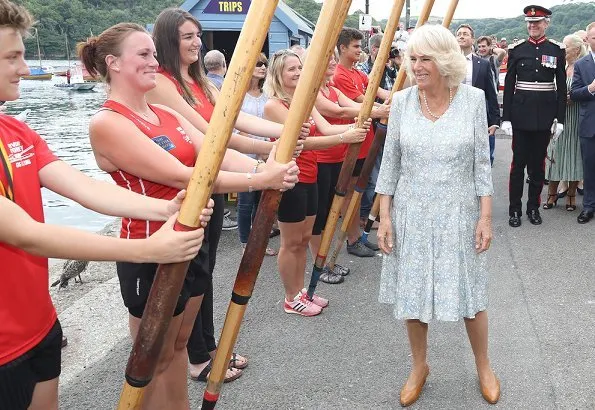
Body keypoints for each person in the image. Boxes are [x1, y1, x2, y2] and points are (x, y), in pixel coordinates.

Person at [0, 2, 212, 409]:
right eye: (13, 57)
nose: (25, 69)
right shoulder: (107, 121)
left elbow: (83, 187)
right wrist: (147, 250)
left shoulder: (16, 130)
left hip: (39, 324)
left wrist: (165, 211)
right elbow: (26, 234)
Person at [78, 22, 298, 409]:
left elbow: (212, 153)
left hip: (190, 241)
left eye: (153, 53)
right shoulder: (108, 123)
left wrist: (262, 165)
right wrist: (262, 178)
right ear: (113, 63)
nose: (154, 61)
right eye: (143, 55)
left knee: (179, 347)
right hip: (149, 250)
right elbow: (187, 176)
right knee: (152, 360)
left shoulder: (163, 110)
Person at [146, 8, 306, 385]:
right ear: (168, 40)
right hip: (183, 189)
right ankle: (196, 356)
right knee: (188, 277)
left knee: (204, 272)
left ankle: (208, 346)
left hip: (212, 185)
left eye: (198, 35)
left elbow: (234, 118)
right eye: (187, 36)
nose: (197, 42)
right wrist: (266, 150)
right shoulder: (163, 82)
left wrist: (286, 130)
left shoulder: (201, 80)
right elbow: (211, 134)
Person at [375, 24, 498, 406]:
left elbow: (481, 164)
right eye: (413, 58)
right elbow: (390, 165)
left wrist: (485, 217)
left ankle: (484, 366)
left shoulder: (474, 100)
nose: (418, 66)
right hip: (411, 213)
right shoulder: (402, 103)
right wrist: (385, 216)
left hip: (459, 213)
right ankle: (419, 366)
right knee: (413, 296)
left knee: (470, 296)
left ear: (445, 60)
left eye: (426, 58)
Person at [264, 49, 370, 316]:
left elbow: (326, 128)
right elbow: (300, 142)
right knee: (291, 242)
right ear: (278, 73)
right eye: (291, 69)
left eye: (300, 68)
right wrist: (343, 138)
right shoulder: (274, 106)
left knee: (302, 239)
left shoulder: (304, 100)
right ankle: (291, 297)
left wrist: (354, 125)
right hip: (288, 178)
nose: (298, 73)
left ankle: (301, 292)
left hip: (310, 174)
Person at [309, 50, 390, 284]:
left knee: (334, 208)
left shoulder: (332, 90)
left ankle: (324, 260)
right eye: (328, 59)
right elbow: (339, 112)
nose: (333, 62)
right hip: (321, 158)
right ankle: (319, 264)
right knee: (321, 216)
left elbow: (356, 106)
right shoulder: (314, 92)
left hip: (339, 156)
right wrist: (378, 111)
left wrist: (377, 109)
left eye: (333, 59)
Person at [501, 5, 567, 227]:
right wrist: (506, 117)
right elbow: (509, 85)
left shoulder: (557, 50)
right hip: (520, 117)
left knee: (538, 167)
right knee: (517, 166)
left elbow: (561, 88)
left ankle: (533, 208)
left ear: (546, 23)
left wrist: (561, 120)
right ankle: (515, 210)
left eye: (537, 22)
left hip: (544, 117)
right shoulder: (517, 50)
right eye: (530, 23)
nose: (533, 26)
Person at [334, 27, 389, 257]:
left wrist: (394, 98)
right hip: (349, 143)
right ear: (343, 48)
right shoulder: (340, 75)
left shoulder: (357, 73)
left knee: (358, 190)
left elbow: (376, 91)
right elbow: (362, 102)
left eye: (360, 46)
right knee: (348, 193)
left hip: (364, 140)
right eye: (355, 46)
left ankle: (356, 235)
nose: (360, 50)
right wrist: (384, 108)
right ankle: (352, 238)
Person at [235, 53, 276, 255]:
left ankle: (259, 242)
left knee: (261, 202)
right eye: (258, 63)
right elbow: (236, 125)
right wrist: (256, 148)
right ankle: (245, 242)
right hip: (245, 154)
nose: (263, 67)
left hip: (266, 152)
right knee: (246, 201)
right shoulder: (239, 95)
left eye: (265, 64)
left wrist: (266, 150)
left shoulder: (267, 94)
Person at [543, 34, 587, 211]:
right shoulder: (559, 65)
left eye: (566, 47)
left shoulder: (583, 67)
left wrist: (574, 98)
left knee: (574, 155)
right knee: (555, 154)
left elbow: (588, 90)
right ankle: (552, 194)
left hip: (575, 116)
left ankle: (571, 195)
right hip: (557, 117)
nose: (563, 50)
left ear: (576, 49)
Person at [456, 24, 501, 166]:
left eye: (465, 34)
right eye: (459, 34)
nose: (461, 36)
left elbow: (491, 94)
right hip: (453, 116)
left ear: (472, 39)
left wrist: (494, 121)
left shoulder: (483, 64)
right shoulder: (447, 62)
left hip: (477, 117)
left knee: (478, 159)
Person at [570, 22, 595, 223]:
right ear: (587, 40)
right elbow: (574, 93)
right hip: (590, 125)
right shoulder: (581, 64)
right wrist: (591, 88)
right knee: (590, 167)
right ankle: (589, 206)